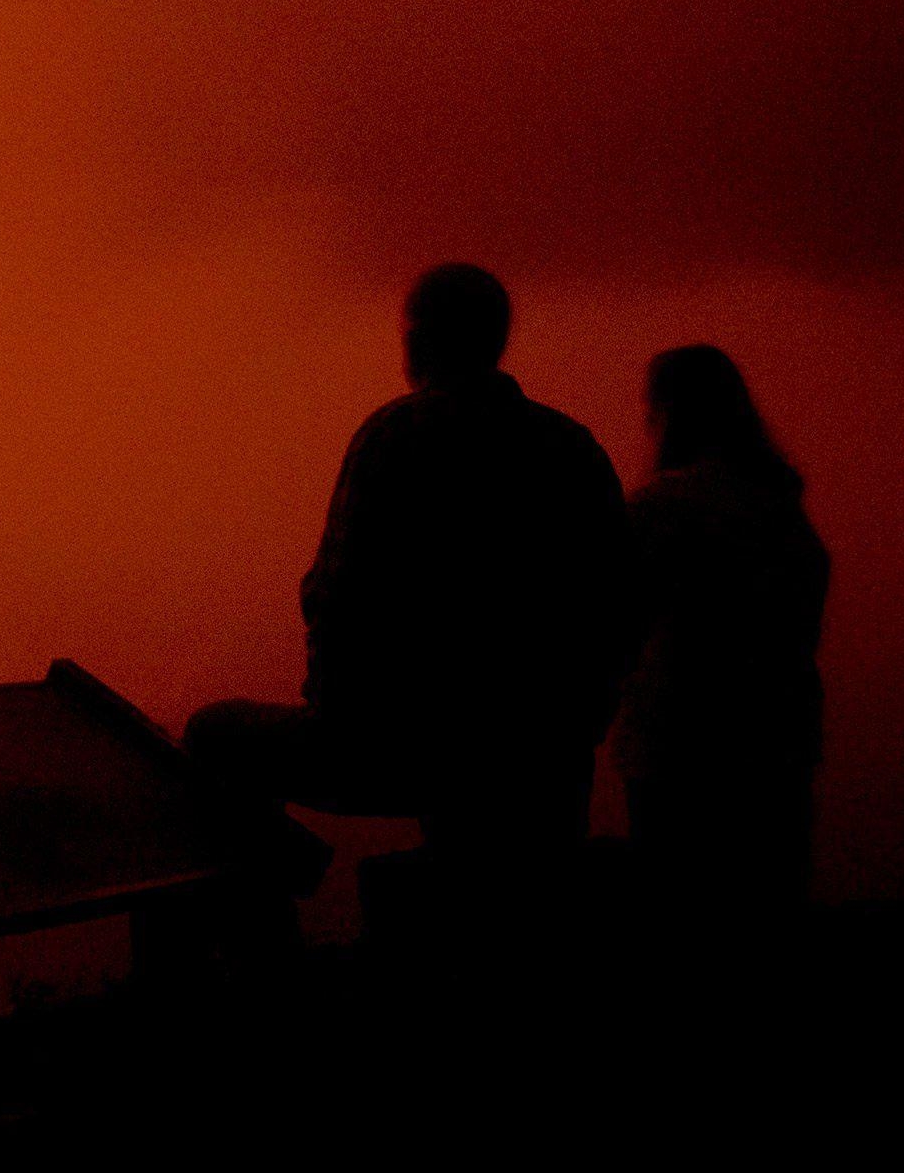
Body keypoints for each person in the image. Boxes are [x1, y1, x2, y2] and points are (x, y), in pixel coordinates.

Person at [187, 264, 635, 863]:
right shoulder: (573, 446)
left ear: (419, 337)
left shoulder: (396, 434)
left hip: (404, 748)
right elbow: (618, 606)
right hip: (545, 751)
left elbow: (336, 595)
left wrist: (339, 710)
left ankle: (266, 942)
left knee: (213, 734)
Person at [615, 345, 828, 910]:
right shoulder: (782, 507)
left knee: (681, 905)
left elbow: (614, 622)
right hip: (779, 739)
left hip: (679, 746)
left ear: (666, 413)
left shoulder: (662, 506)